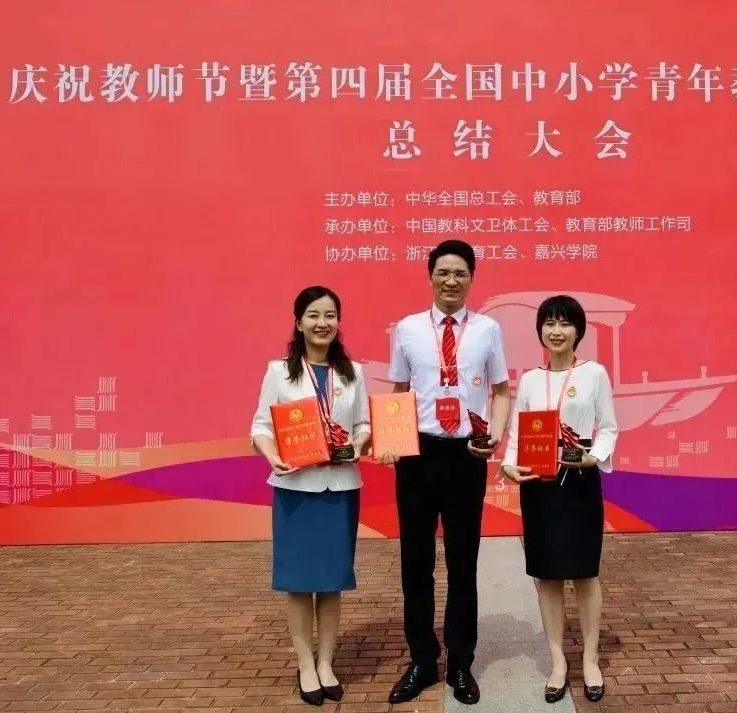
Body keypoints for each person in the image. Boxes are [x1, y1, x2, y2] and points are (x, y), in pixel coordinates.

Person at [377, 239, 511, 706]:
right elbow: (399, 390)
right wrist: (391, 441)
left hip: (466, 456)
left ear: (471, 279)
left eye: (460, 273)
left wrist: (494, 436)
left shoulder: (488, 329)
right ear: (430, 276)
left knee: (462, 561)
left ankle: (460, 662)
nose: (451, 281)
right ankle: (421, 659)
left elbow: (501, 391)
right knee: (416, 562)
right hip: (417, 455)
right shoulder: (408, 329)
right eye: (443, 272)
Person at [250, 285, 371, 707]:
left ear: (338, 322)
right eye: (314, 315)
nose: (323, 323)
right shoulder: (279, 373)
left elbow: (363, 424)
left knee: (331, 582)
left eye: (330, 315)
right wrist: (272, 456)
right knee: (299, 584)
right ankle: (305, 665)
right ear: (298, 322)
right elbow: (261, 426)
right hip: (295, 491)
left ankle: (326, 663)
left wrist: (359, 442)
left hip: (340, 489)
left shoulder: (352, 372)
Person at [500, 294, 618, 704]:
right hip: (539, 486)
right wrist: (508, 464)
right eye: (549, 323)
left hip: (580, 482)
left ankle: (590, 659)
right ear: (540, 331)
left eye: (564, 323)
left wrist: (594, 456)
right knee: (547, 576)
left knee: (585, 574)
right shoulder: (531, 380)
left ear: (578, 331)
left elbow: (609, 427)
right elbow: (518, 433)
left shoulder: (594, 373)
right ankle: (557, 661)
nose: (556, 331)